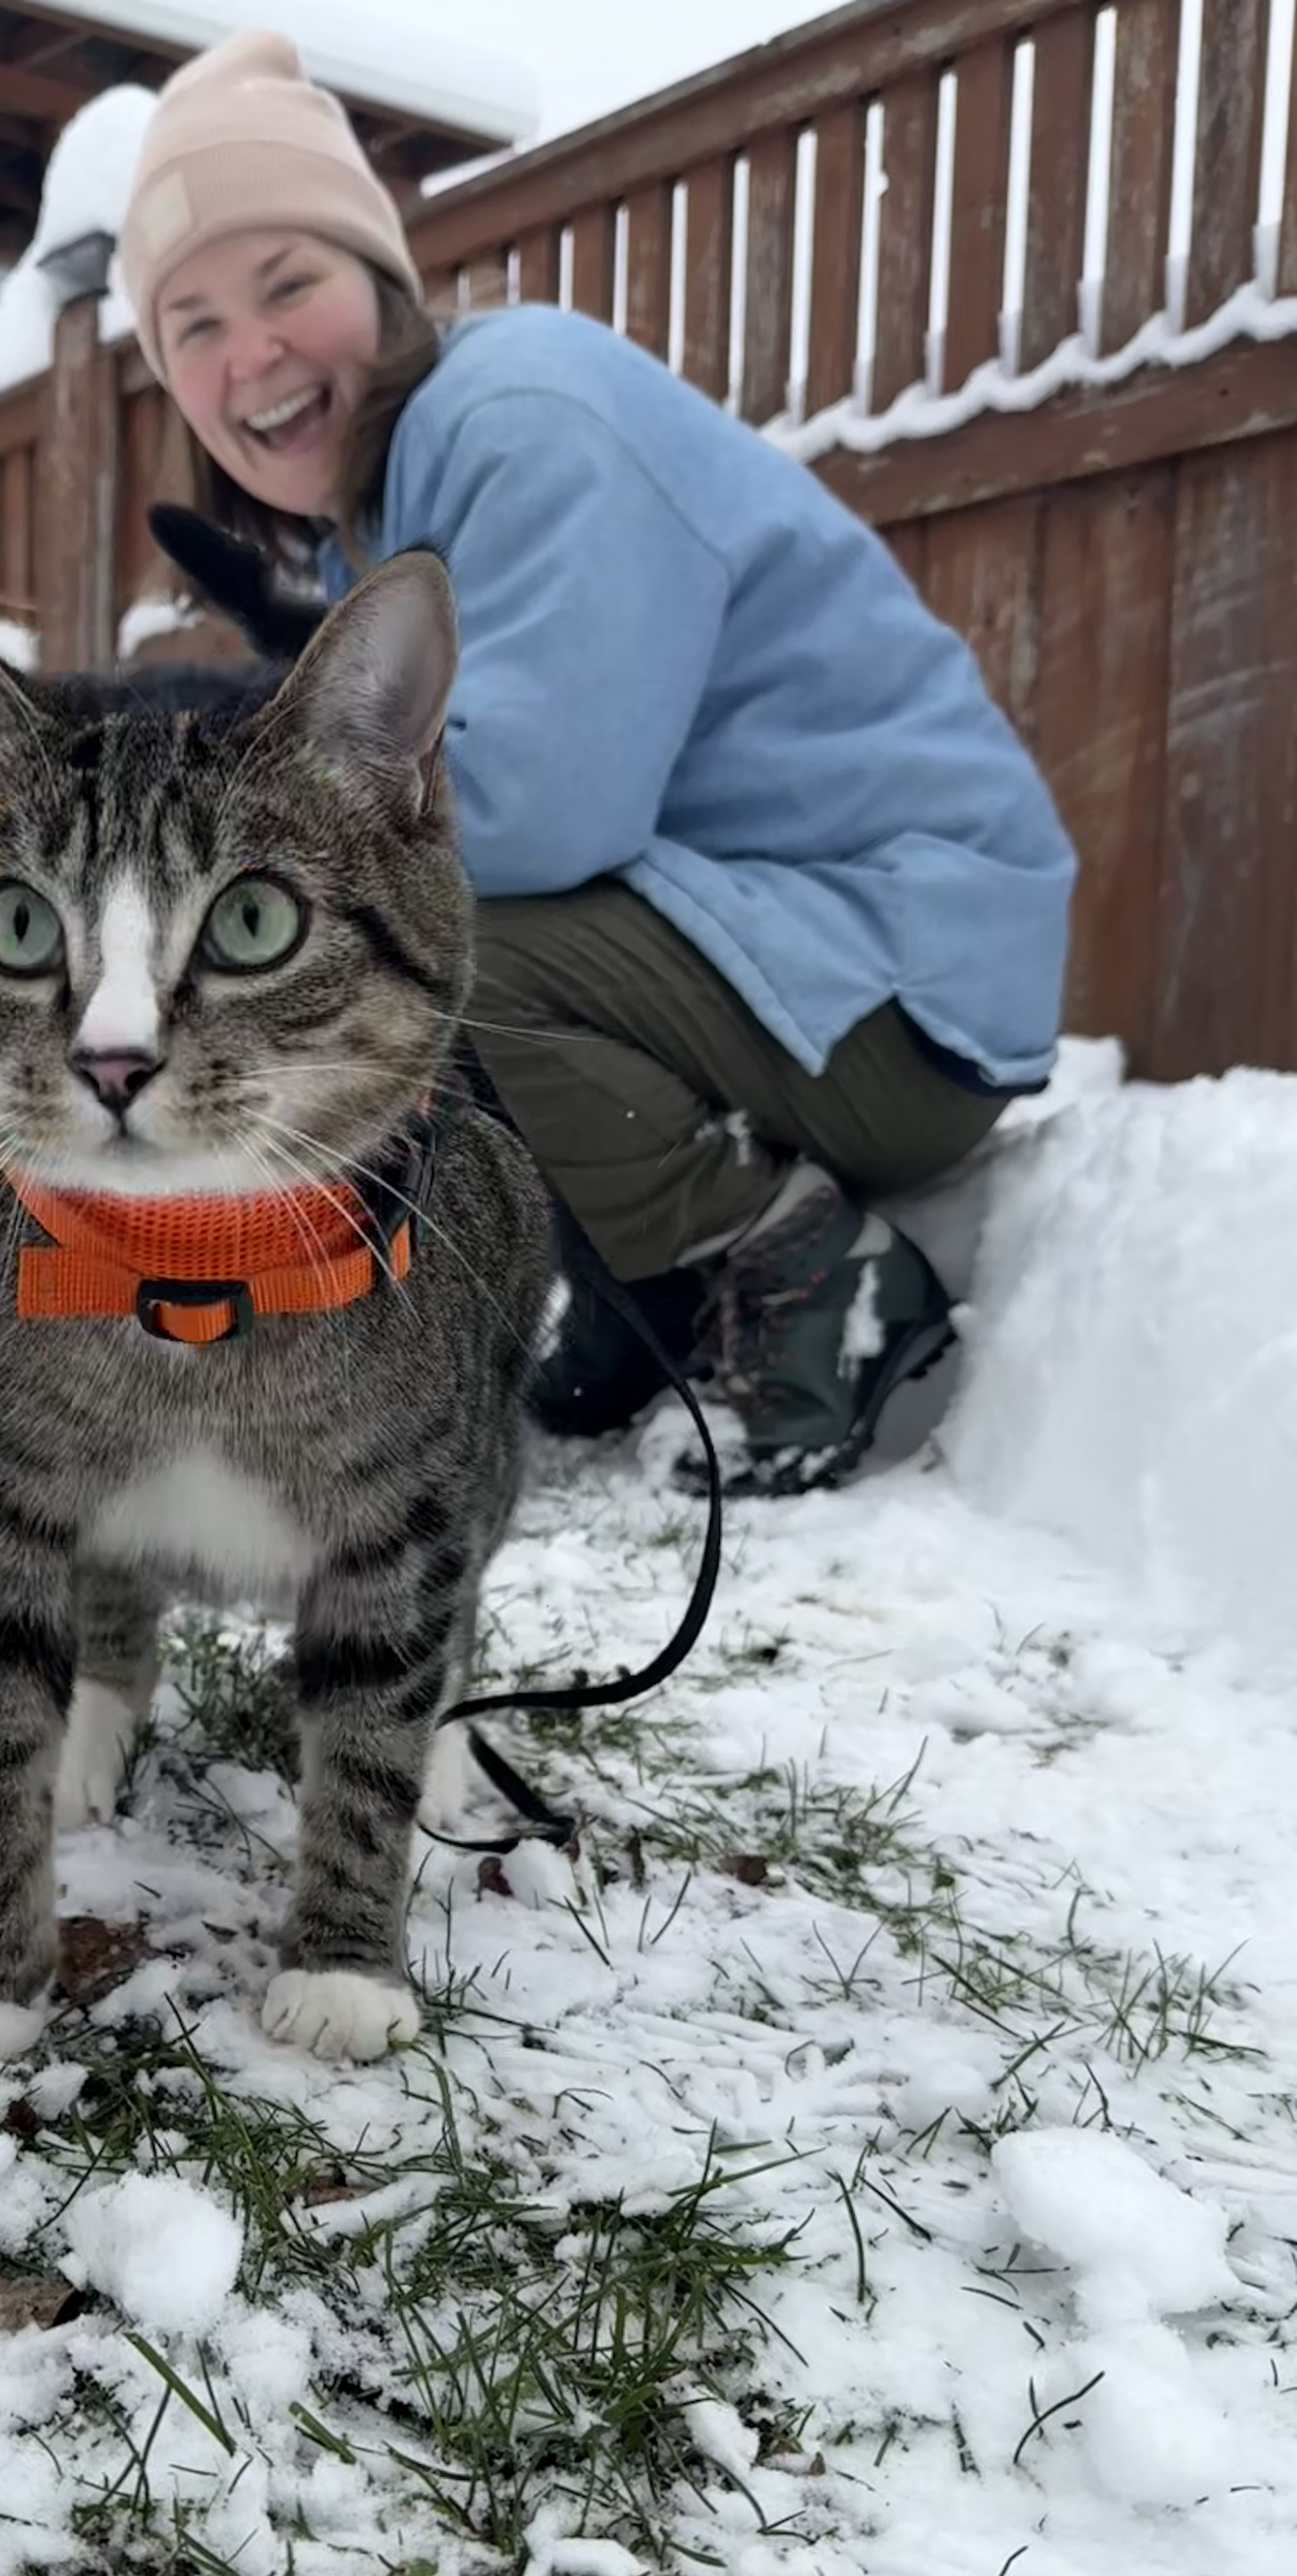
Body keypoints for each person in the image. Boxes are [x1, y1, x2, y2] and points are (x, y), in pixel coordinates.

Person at [117, 29, 1076, 1495]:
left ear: (379, 280)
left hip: (901, 987)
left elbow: (544, 814)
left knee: (423, 935)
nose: (245, 353)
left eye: (285, 284)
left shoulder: (521, 419)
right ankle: (655, 1297)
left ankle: (813, 1279)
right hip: (792, 955)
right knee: (393, 926)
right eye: (189, 326)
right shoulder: (404, 486)